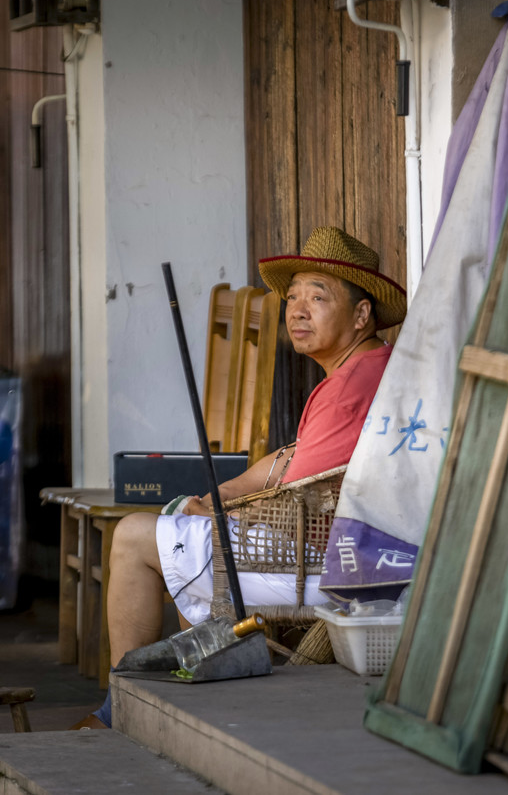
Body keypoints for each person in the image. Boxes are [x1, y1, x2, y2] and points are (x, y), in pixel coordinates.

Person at [73, 226, 407, 729]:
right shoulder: (364, 365)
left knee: (134, 537)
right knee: (185, 534)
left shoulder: (354, 383)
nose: (297, 310)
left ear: (362, 314)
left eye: (318, 297)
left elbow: (302, 490)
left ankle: (125, 710)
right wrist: (226, 493)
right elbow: (290, 459)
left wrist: (225, 508)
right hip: (331, 547)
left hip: (331, 563)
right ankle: (175, 707)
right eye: (292, 297)